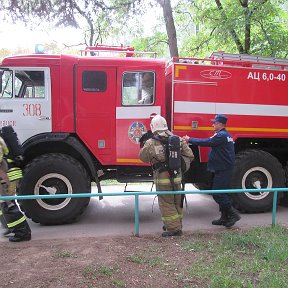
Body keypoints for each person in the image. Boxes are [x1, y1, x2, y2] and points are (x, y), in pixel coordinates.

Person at [140, 115, 194, 237]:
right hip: (177, 177)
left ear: (153, 127)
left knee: (166, 202)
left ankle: (174, 229)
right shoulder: (178, 139)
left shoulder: (150, 142)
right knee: (177, 201)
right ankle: (176, 224)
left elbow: (142, 157)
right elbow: (190, 155)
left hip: (162, 178)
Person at [183, 114, 241, 228]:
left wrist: (189, 139)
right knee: (223, 192)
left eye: (214, 122)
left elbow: (206, 142)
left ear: (220, 124)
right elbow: (209, 141)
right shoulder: (223, 135)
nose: (212, 124)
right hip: (222, 168)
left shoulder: (221, 135)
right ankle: (224, 218)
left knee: (218, 193)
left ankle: (233, 214)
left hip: (223, 169)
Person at [0, 126, 31, 242]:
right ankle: (11, 227)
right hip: (8, 175)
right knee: (5, 204)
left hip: (7, 176)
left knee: (8, 205)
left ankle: (23, 233)